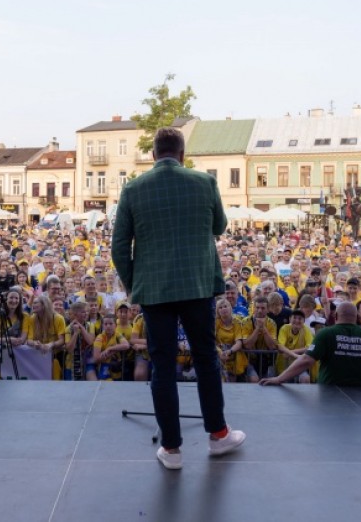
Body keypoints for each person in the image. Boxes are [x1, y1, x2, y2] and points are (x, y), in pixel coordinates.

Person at [111, 127, 244, 471]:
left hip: (154, 290)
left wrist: (133, 284)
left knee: (162, 365)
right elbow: (220, 226)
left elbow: (119, 246)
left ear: (154, 155)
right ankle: (218, 434)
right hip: (197, 285)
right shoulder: (205, 183)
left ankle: (171, 449)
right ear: (183, 154)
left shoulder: (133, 189)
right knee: (206, 360)